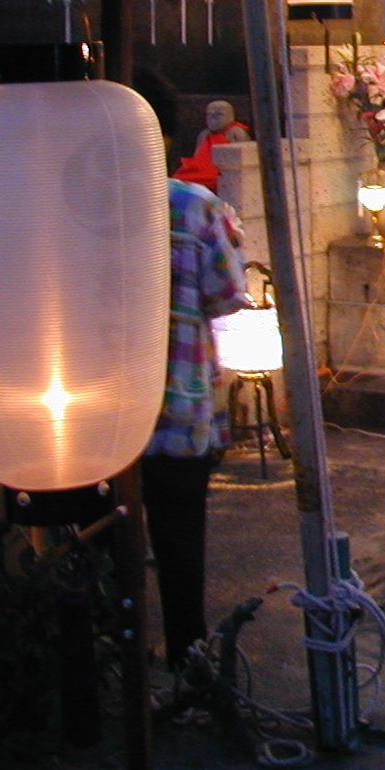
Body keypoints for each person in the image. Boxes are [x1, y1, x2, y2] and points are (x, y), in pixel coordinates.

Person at [145, 168, 248, 671]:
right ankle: (187, 661)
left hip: (87, 411)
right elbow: (226, 292)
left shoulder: (69, 194)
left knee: (95, 540)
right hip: (175, 404)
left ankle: (103, 656)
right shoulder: (193, 205)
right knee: (179, 541)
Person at [173, 99, 251, 195]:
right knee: (177, 180)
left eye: (218, 115)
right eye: (209, 114)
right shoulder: (204, 134)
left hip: (225, 170)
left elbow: (245, 159)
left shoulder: (236, 132)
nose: (212, 118)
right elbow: (197, 157)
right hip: (203, 170)